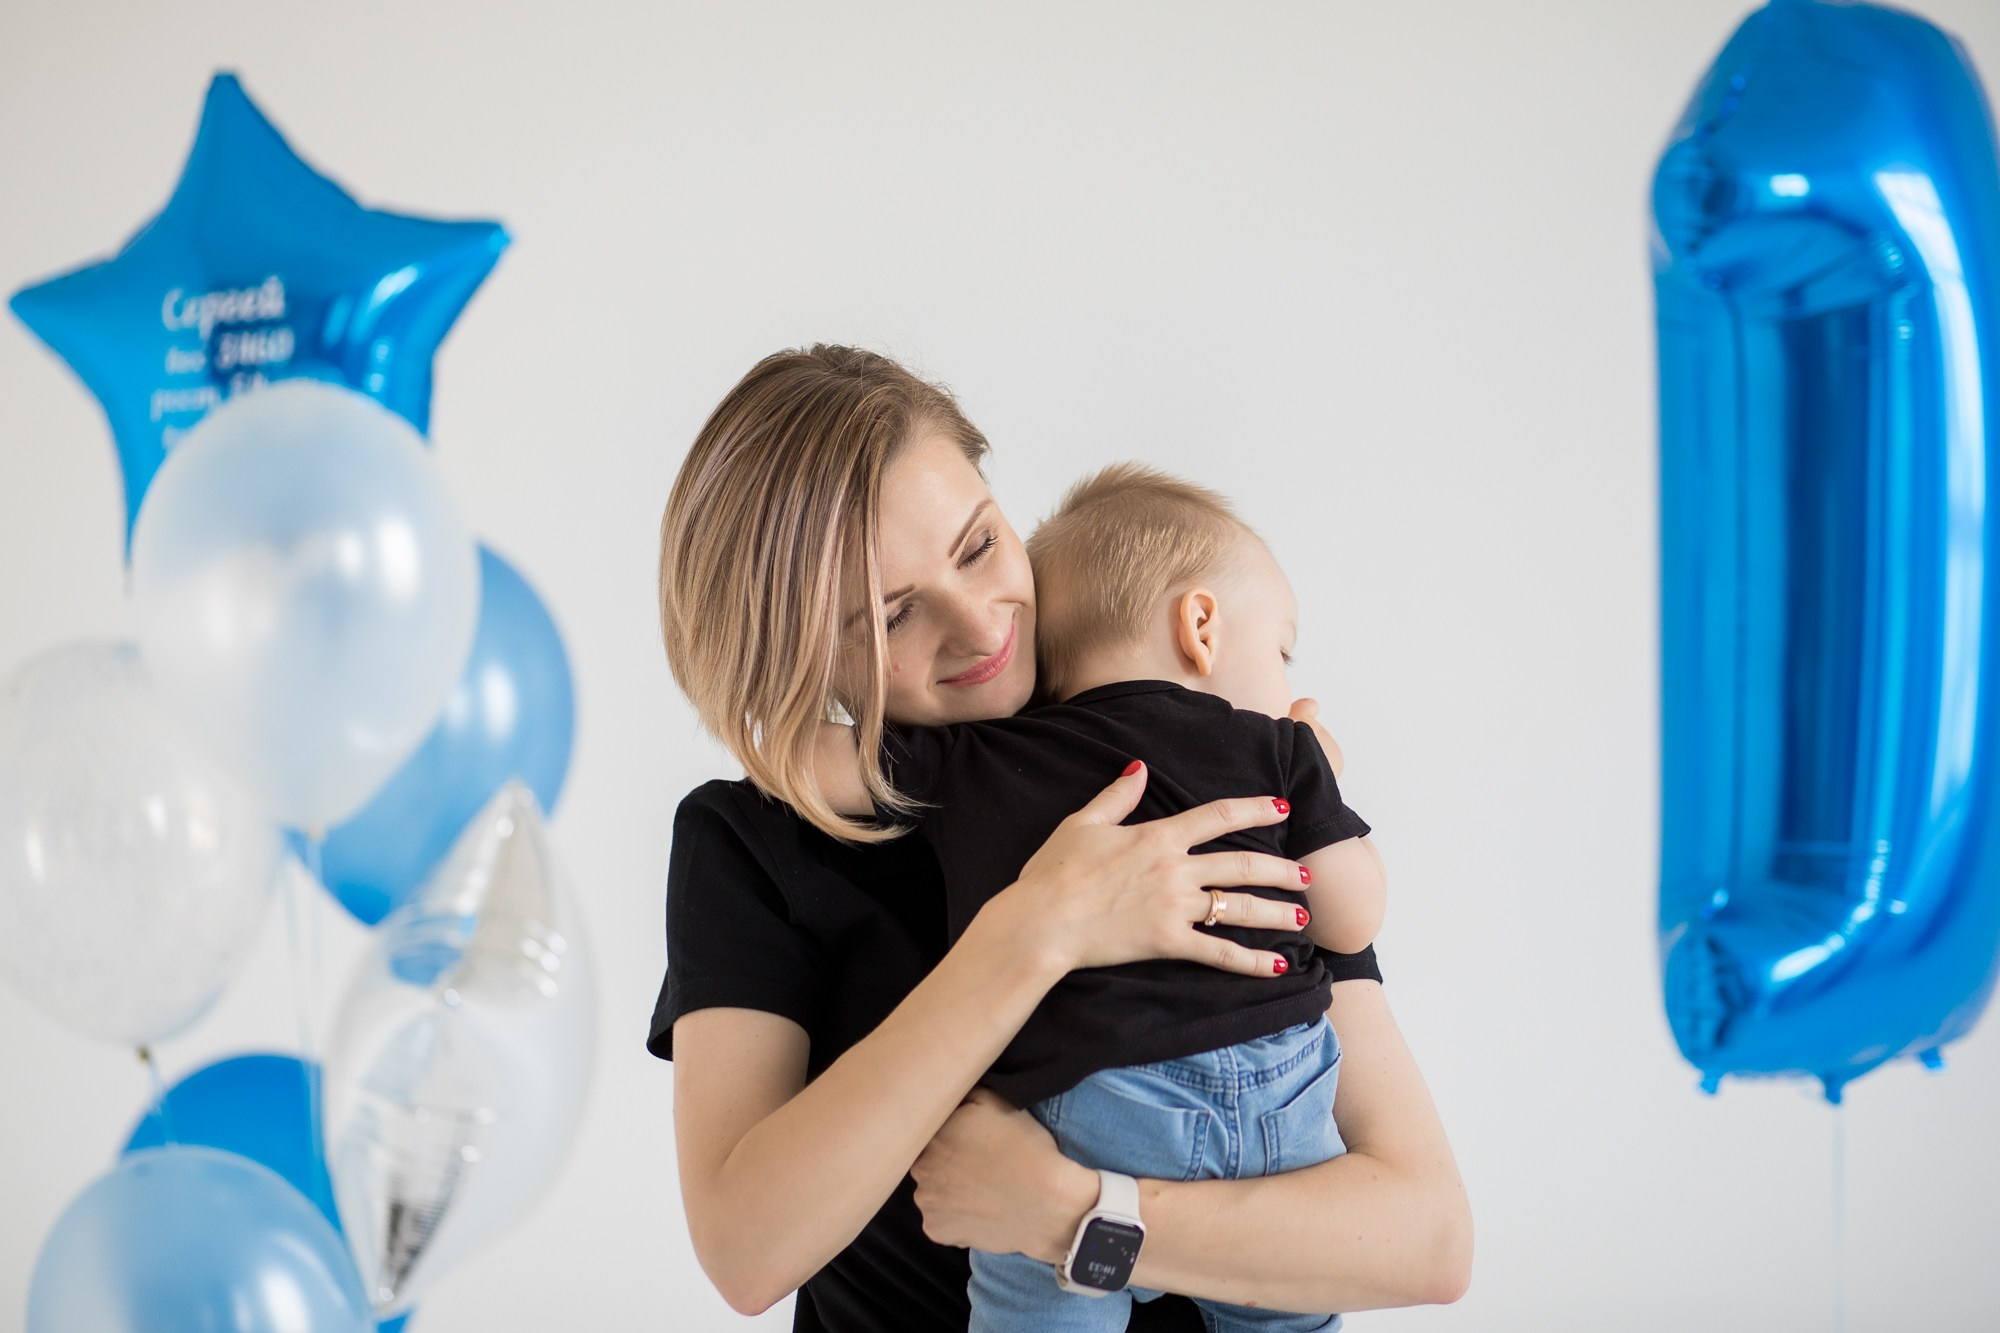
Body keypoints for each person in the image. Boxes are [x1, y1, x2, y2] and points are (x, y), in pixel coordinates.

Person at [650, 345, 1471, 1330]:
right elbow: (746, 1250)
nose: (978, 623)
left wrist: (1072, 1220)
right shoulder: (751, 841)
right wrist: (1034, 930)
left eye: (976, 545)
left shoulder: (1187, 762)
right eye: (892, 615)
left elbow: (1425, 1239)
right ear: (793, 656)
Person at [807, 461, 1389, 1331]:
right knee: (1290, 1311)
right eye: (1280, 649)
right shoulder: (1277, 749)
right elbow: (1355, 916)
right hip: (1283, 1114)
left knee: (1035, 1296)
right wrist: (1321, 784)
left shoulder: (981, 759)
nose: (1284, 677)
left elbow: (807, 765)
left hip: (1101, 1105)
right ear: (1201, 625)